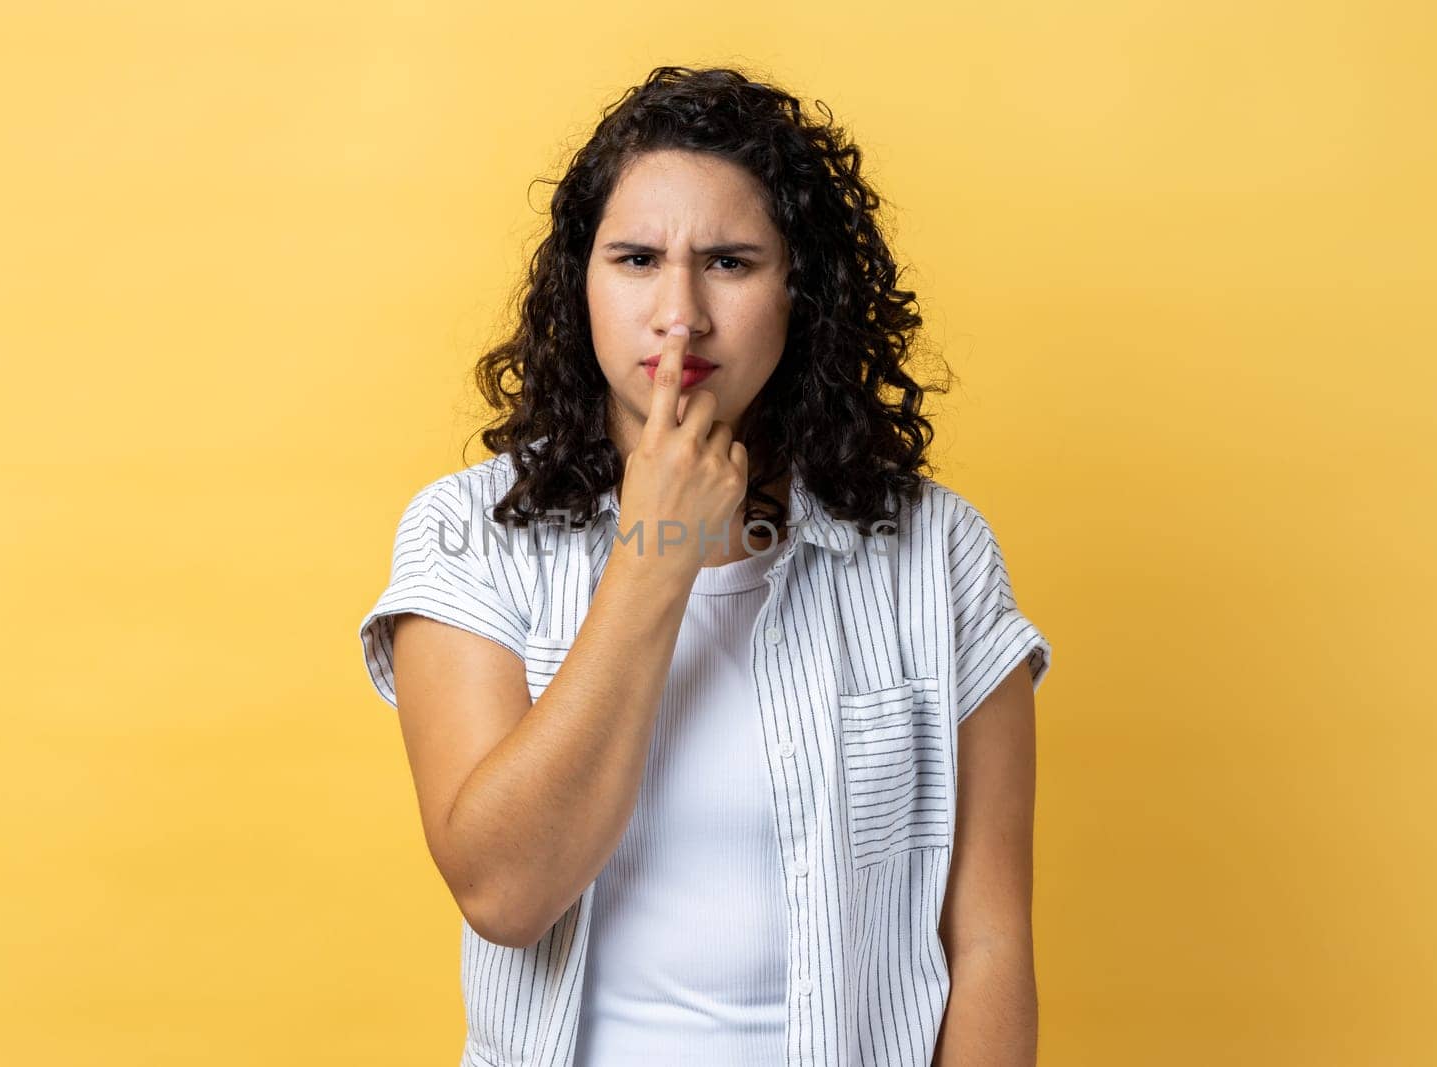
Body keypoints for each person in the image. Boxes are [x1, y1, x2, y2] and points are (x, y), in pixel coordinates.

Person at [358, 65, 1052, 1067]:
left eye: (728, 261)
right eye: (636, 258)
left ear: (798, 293)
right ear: (579, 284)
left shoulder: (936, 552)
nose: (678, 312)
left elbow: (986, 941)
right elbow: (504, 892)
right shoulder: (471, 533)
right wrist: (653, 560)